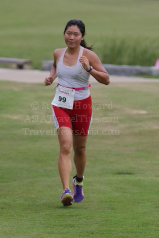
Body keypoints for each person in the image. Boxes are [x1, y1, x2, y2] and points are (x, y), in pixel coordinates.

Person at [44, 19, 110, 206]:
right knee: (65, 146)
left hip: (82, 106)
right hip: (61, 105)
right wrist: (51, 77)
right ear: (64, 34)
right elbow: (57, 65)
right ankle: (66, 191)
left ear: (82, 37)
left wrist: (88, 68)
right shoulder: (58, 52)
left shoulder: (89, 55)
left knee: (80, 149)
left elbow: (106, 79)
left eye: (76, 34)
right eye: (68, 33)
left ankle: (78, 182)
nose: (71, 37)